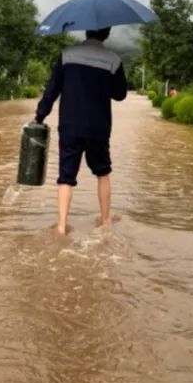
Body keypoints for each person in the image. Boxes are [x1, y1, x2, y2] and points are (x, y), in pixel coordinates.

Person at [34, 27, 128, 234]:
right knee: (103, 172)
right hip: (99, 128)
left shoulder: (67, 55)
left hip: (70, 127)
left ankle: (61, 227)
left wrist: (40, 116)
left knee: (66, 177)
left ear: (86, 32)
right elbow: (120, 94)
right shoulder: (113, 59)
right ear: (107, 34)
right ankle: (105, 222)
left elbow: (52, 90)